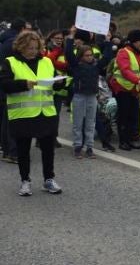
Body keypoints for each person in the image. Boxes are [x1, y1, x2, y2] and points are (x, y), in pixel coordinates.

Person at [3, 31, 63, 195]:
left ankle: (48, 180)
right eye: (29, 48)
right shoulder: (11, 62)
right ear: (21, 47)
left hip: (46, 113)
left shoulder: (47, 62)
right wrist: (24, 84)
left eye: (36, 48)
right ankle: (25, 181)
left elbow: (54, 82)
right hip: (23, 114)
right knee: (23, 150)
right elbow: (5, 85)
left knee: (48, 149)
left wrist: (59, 83)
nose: (33, 51)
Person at [67, 43, 102, 158]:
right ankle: (77, 147)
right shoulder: (76, 66)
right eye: (87, 55)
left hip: (92, 96)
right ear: (81, 56)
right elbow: (68, 54)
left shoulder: (96, 65)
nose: (90, 57)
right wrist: (70, 39)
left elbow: (106, 57)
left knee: (90, 123)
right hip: (79, 96)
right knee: (78, 123)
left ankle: (89, 148)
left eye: (91, 55)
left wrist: (107, 41)